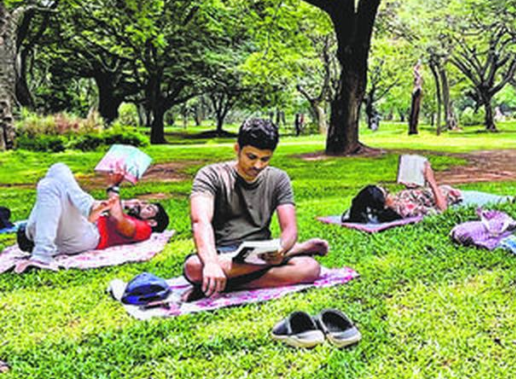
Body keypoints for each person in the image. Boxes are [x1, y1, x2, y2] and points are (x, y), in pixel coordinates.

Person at [184, 118, 325, 297]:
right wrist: (211, 263)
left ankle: (220, 285)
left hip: (261, 252)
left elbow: (290, 229)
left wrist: (281, 249)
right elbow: (200, 221)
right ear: (237, 149)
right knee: (194, 268)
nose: (258, 165)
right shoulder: (210, 175)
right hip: (222, 253)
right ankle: (298, 249)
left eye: (265, 159)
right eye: (251, 157)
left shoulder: (279, 179)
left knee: (310, 268)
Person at [17, 163, 169, 265]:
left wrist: (114, 186)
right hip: (50, 231)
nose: (142, 205)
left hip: (87, 238)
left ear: (152, 222)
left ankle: (42, 254)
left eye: (148, 208)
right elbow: (107, 209)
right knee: (57, 169)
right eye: (144, 204)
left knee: (50, 185)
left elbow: (118, 220)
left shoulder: (144, 229)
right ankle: (86, 207)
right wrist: (124, 203)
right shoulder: (126, 213)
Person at [346, 157, 460, 222]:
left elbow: (417, 198)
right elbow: (442, 211)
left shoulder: (394, 202)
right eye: (387, 192)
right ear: (384, 205)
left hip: (440, 192)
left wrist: (411, 186)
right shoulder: (405, 209)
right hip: (452, 196)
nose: (391, 193)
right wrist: (431, 181)